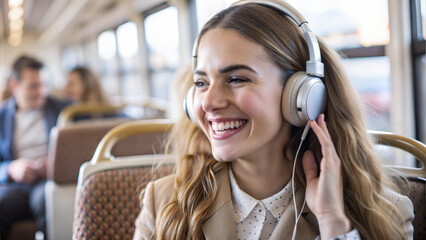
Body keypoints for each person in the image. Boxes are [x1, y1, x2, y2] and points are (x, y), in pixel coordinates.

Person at [134, 1, 414, 239]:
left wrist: (334, 225)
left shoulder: (385, 212)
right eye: (201, 82)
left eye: (236, 79)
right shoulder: (163, 202)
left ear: (301, 95)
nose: (208, 102)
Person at [0, 55, 71, 239]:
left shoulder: (64, 110)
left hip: (48, 180)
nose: (41, 92)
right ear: (14, 85)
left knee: (48, 202)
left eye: (44, 85)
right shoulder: (1, 117)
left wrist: (58, 164)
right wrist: (10, 169)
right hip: (15, 185)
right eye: (34, 86)